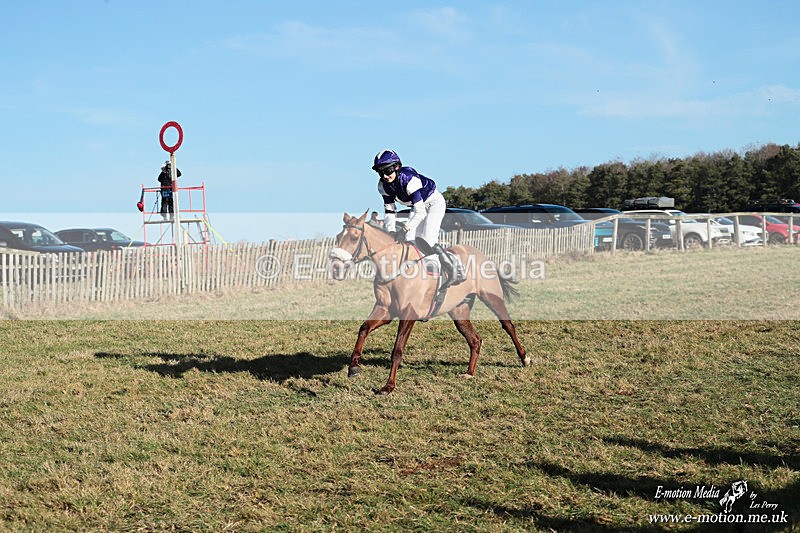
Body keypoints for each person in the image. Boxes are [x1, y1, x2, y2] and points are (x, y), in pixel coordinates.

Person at [372, 149, 461, 291]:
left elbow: (420, 212)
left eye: (387, 171)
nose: (384, 176)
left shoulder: (409, 180)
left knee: (427, 240)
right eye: (380, 173)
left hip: (433, 204)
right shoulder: (383, 186)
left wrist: (404, 228)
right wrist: (391, 231)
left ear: (396, 167)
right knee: (411, 240)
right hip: (417, 207)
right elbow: (389, 210)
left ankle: (455, 270)